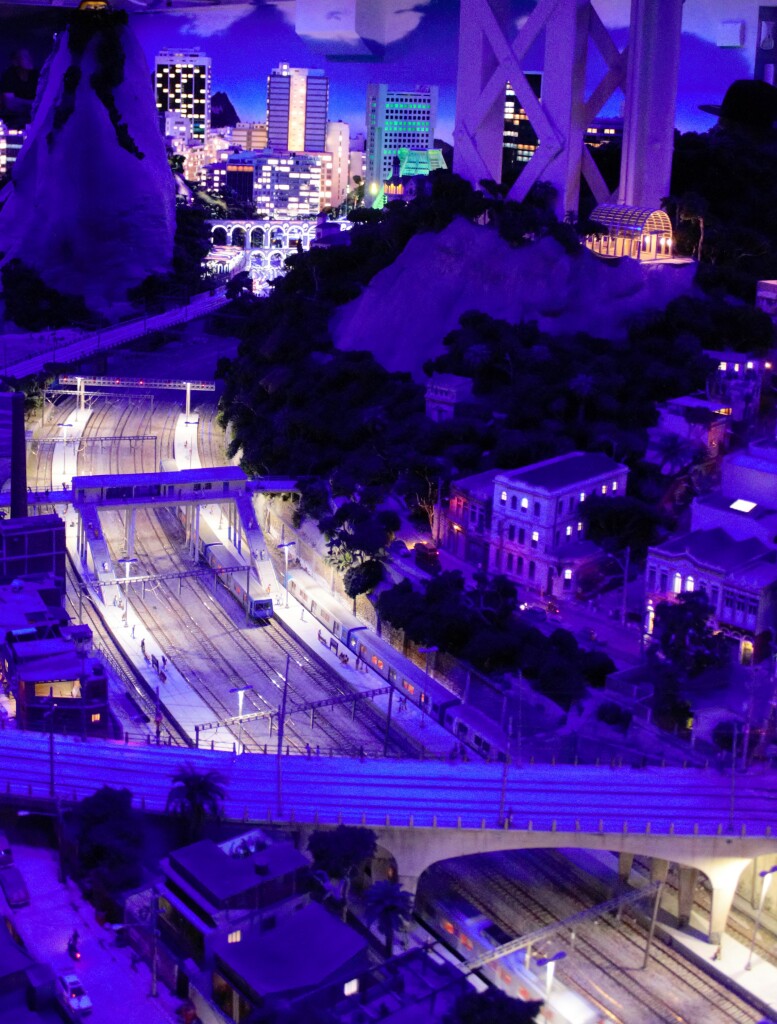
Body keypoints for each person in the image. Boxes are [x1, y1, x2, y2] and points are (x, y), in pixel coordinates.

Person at [0, 49, 39, 130]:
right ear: (15, 61)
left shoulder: (36, 75)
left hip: (34, 117)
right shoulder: (9, 75)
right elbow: (10, 103)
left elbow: (43, 100)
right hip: (12, 119)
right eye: (25, 57)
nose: (29, 59)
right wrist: (33, 104)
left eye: (29, 57)